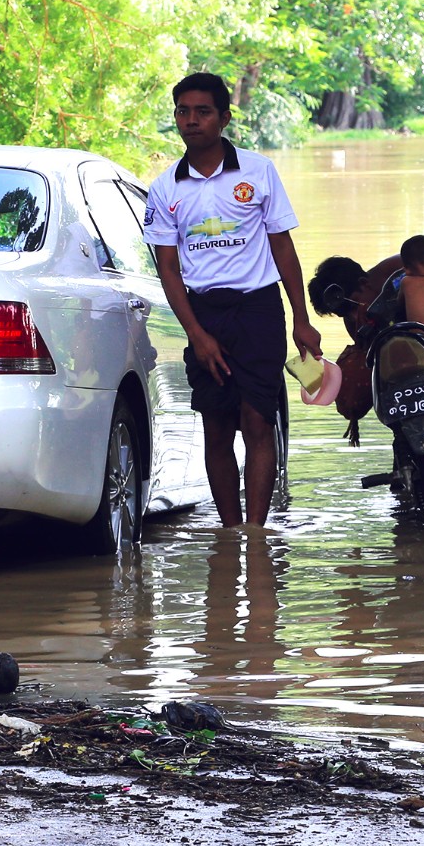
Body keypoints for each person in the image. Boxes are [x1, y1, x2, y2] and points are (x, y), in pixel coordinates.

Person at [144, 73, 321, 529]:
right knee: (216, 427)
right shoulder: (165, 188)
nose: (191, 120)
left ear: (224, 118)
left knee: (258, 420)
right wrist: (196, 335)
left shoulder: (258, 172)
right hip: (204, 315)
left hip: (260, 311)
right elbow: (168, 269)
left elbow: (283, 247)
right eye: (183, 111)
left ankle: (256, 536)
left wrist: (302, 319)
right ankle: (231, 531)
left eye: (203, 112)